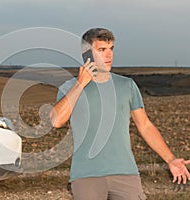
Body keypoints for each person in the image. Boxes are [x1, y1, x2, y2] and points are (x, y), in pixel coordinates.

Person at [49, 28, 190, 200]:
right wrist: (80, 83)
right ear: (87, 54)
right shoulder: (69, 87)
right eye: (102, 50)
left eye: (111, 49)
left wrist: (170, 159)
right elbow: (56, 121)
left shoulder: (127, 85)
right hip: (86, 175)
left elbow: (144, 125)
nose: (109, 55)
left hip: (126, 174)